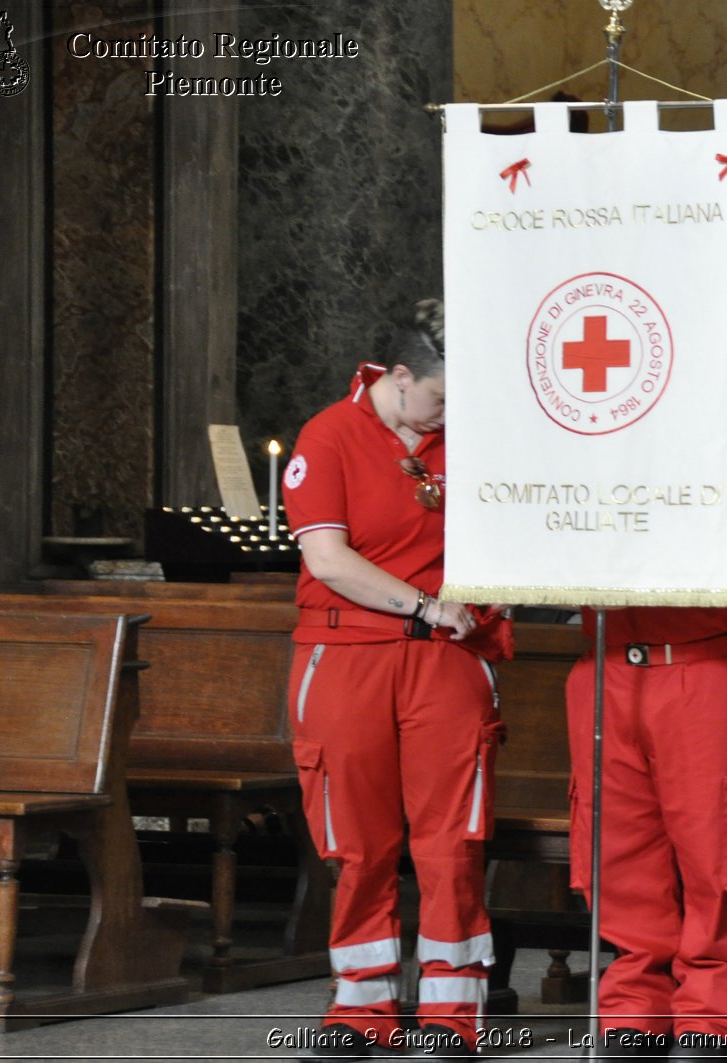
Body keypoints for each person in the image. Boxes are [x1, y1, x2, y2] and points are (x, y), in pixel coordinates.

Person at [283, 302, 513, 1061]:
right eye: (440, 397)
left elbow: (509, 534)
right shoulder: (330, 435)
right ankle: (362, 1007)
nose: (449, 413)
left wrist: (482, 599)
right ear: (400, 376)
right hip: (350, 655)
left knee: (451, 839)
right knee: (359, 841)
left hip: (446, 660)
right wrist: (423, 603)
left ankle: (453, 1012)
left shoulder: (469, 442)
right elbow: (328, 560)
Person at [564, 420, 727, 1058]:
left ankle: (711, 1009)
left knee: (715, 845)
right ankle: (635, 1005)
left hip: (698, 664)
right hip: (604, 663)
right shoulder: (587, 429)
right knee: (617, 845)